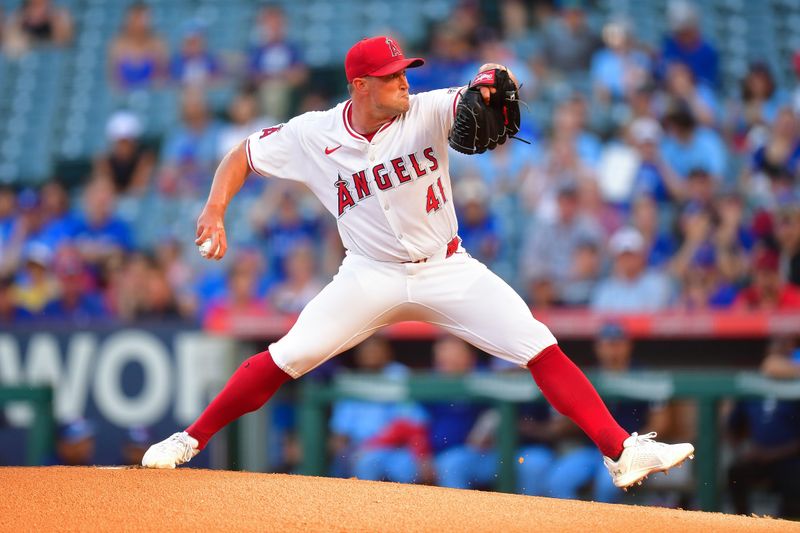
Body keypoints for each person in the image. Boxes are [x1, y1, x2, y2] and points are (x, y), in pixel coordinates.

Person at [142, 35, 694, 491]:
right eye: (390, 75)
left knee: (538, 343)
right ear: (360, 86)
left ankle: (622, 451)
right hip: (369, 273)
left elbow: (474, 96)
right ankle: (190, 439)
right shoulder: (313, 134)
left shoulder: (428, 107)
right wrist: (215, 209)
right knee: (289, 355)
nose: (404, 80)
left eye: (404, 70)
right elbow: (242, 154)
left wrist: (490, 80)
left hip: (447, 268)